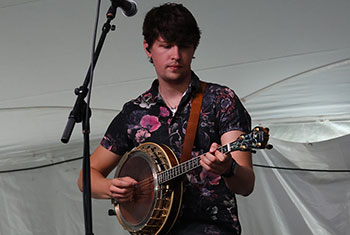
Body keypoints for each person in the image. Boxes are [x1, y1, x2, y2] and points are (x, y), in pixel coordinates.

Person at [78, 3, 254, 235]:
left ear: (194, 48)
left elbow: (246, 184)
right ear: (148, 48)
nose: (176, 55)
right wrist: (112, 187)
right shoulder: (134, 113)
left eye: (184, 46)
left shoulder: (221, 100)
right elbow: (86, 176)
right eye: (166, 46)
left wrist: (228, 168)